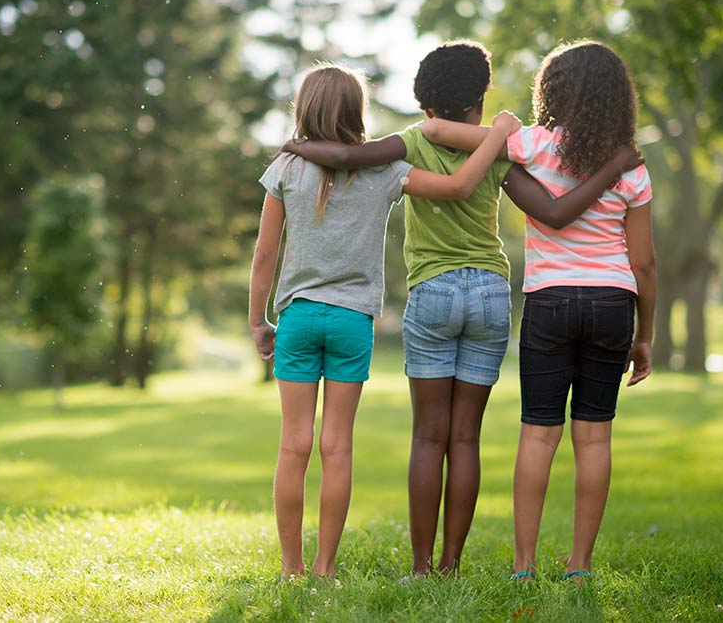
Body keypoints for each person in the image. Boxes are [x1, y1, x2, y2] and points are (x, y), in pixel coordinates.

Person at [281, 40, 643, 577]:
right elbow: (551, 208)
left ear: (426, 105)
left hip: (432, 292)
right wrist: (606, 160)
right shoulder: (501, 150)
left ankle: (424, 567)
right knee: (466, 436)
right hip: (491, 296)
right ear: (481, 99)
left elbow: (349, 156)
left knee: (429, 434)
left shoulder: (413, 141)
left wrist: (297, 145)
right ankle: (453, 562)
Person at [249, 62, 524, 580]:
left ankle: (292, 569)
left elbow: (265, 254)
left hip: (300, 317)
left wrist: (259, 320)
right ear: (358, 112)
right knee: (337, 446)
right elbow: (462, 185)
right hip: (353, 322)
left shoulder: (285, 169)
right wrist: (502, 133)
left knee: (294, 445)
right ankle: (326, 567)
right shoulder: (385, 172)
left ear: (302, 110)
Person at [420, 39, 657, 584]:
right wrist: (646, 336)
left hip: (549, 300)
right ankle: (579, 567)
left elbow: (434, 131)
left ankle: (523, 566)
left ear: (551, 92)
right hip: (613, 301)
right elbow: (644, 263)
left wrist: (502, 129)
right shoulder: (632, 168)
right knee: (594, 437)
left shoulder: (534, 143)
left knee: (538, 434)